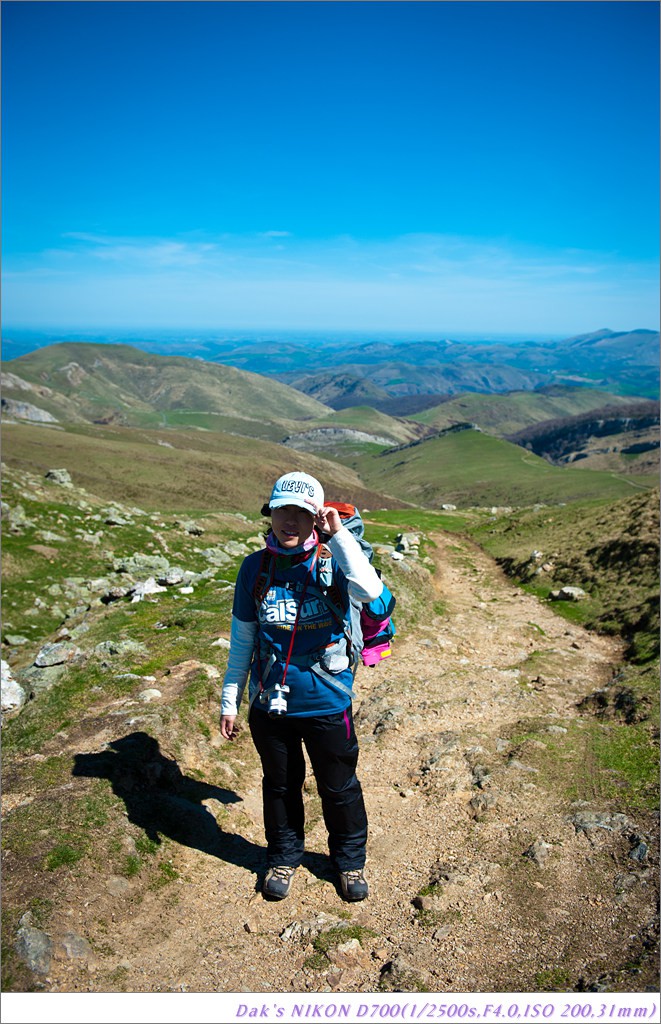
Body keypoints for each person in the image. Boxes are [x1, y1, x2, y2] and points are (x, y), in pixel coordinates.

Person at [220, 471, 383, 901]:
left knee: (339, 786)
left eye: (301, 513)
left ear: (317, 519)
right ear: (269, 513)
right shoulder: (254, 568)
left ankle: (349, 863)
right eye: (281, 510)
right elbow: (243, 639)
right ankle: (283, 856)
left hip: (328, 700)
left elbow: (370, 590)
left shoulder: (335, 562)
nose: (290, 521)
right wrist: (230, 700)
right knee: (279, 785)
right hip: (270, 705)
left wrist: (340, 536)